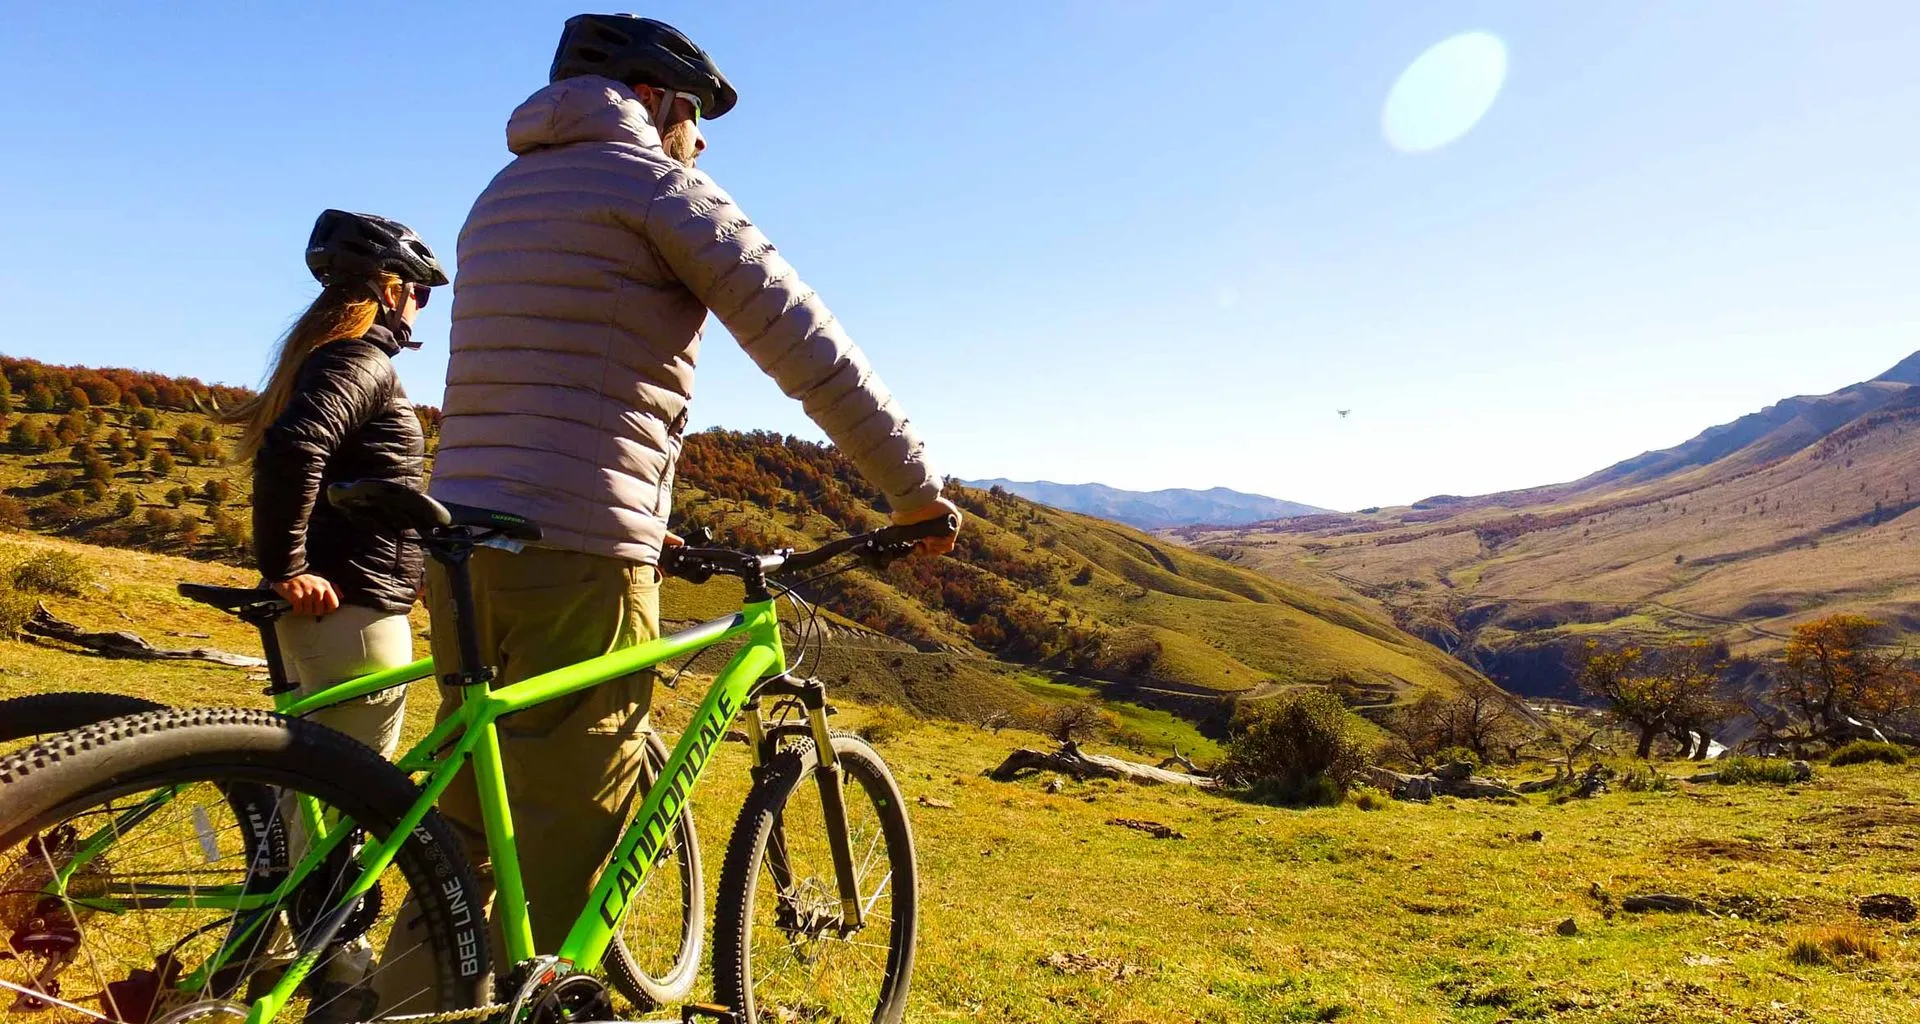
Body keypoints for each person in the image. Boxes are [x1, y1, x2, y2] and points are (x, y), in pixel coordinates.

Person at [378, 11, 962, 998]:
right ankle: (541, 1002)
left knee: (467, 834)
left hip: (463, 543)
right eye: (694, 112)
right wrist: (914, 492)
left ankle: (381, 1003)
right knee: (578, 838)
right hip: (575, 554)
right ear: (653, 97)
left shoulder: (502, 194)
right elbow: (806, 343)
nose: (699, 136)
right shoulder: (657, 187)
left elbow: (554, 383)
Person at [221, 208, 446, 1021]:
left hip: (346, 601)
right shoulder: (361, 362)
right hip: (349, 609)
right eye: (418, 293)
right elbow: (296, 449)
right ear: (391, 290)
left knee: (309, 795)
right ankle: (332, 970)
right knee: (348, 797)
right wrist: (288, 568)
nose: (420, 309)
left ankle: (274, 950)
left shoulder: (324, 357)